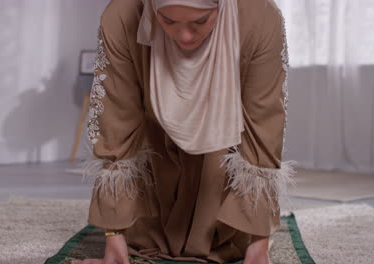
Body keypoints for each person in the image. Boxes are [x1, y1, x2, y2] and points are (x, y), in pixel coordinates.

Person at [78, 0, 294, 263]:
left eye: (200, 21)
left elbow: (264, 125)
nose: (185, 36)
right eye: (168, 21)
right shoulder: (123, 14)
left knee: (221, 237)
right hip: (153, 152)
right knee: (142, 233)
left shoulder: (258, 17)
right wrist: (113, 235)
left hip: (220, 162)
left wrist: (258, 244)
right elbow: (115, 119)